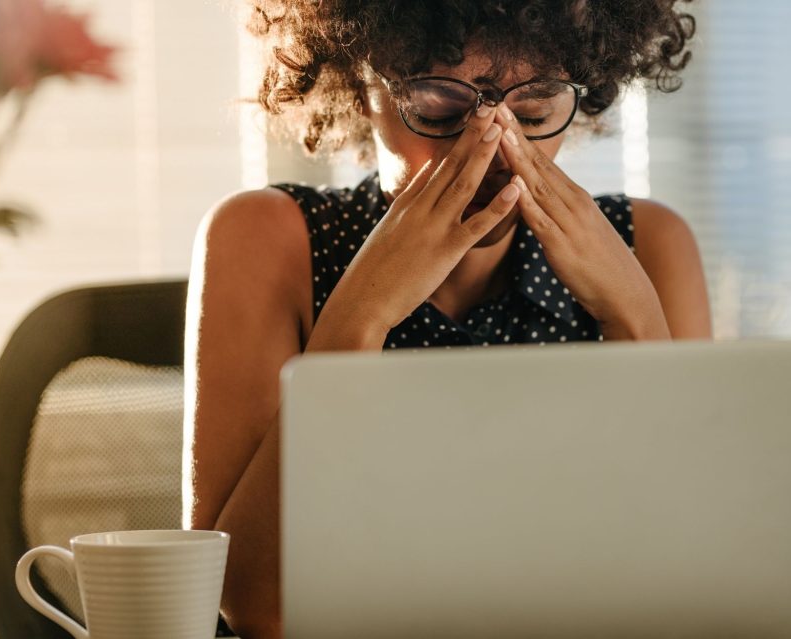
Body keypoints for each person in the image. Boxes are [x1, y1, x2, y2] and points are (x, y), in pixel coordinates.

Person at [185, 1, 710, 636]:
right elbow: (254, 606)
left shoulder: (649, 245)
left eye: (535, 111)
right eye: (437, 108)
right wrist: (361, 315)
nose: (492, 148)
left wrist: (634, 318)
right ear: (360, 87)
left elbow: (693, 585)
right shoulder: (267, 238)